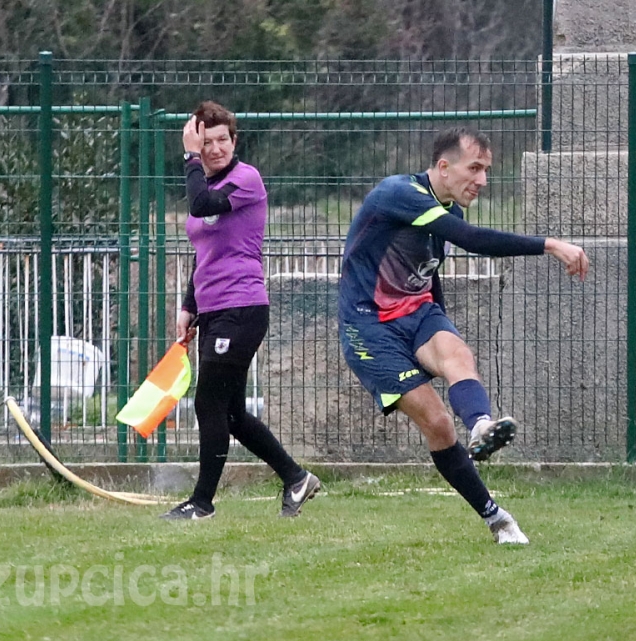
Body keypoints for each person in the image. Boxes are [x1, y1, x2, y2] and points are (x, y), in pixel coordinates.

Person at [338, 127, 589, 544]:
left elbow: (428, 275)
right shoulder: (398, 193)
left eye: (486, 170)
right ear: (443, 166)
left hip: (417, 314)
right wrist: (550, 245)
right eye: (475, 168)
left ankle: (481, 426)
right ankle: (496, 518)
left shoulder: (447, 213)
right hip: (370, 326)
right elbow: (473, 240)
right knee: (437, 424)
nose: (483, 180)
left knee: (458, 354)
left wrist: (440, 326)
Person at [161, 101, 320, 520]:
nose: (214, 149)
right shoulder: (205, 184)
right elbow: (204, 252)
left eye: (220, 140)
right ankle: (296, 478)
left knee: (208, 404)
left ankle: (202, 503)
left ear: (234, 141)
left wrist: (189, 156)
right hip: (213, 310)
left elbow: (200, 207)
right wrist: (188, 305)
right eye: (205, 141)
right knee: (229, 411)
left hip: (243, 309)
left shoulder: (245, 179)